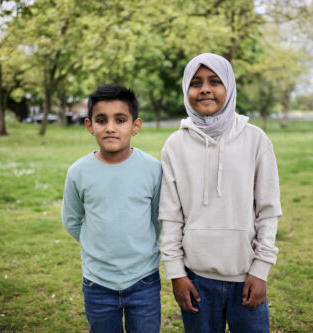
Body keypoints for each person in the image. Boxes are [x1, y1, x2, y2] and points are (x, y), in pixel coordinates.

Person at [159, 53, 282, 333]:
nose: (204, 88)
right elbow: (170, 215)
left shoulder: (256, 139)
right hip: (195, 279)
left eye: (214, 81)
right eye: (195, 82)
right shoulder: (174, 145)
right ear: (185, 89)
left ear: (229, 85)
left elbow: (268, 210)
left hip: (246, 276)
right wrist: (176, 273)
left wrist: (260, 269)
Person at [61, 84, 162, 333]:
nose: (110, 127)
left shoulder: (152, 169)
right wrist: (97, 245)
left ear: (135, 126)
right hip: (98, 283)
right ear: (89, 126)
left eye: (120, 120)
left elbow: (158, 218)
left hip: (144, 280)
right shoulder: (78, 172)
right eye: (101, 120)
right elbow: (72, 220)